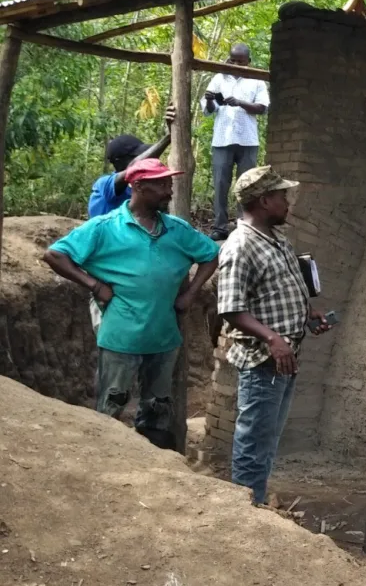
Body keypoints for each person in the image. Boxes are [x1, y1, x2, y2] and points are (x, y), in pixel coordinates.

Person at [43, 159, 219, 450]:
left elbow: (210, 254)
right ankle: (106, 461)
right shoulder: (105, 227)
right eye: (161, 184)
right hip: (120, 337)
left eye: (169, 183)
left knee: (158, 407)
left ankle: (153, 465)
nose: (169, 191)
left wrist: (190, 295)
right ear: (138, 186)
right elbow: (54, 255)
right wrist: (95, 285)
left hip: (164, 337)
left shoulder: (177, 229)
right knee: (112, 405)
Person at [217, 166, 334, 506]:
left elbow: (275, 292)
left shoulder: (276, 240)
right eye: (282, 196)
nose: (287, 202)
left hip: (283, 357)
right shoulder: (240, 247)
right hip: (262, 361)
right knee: (254, 441)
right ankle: (245, 512)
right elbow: (230, 309)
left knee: (267, 440)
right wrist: (272, 338)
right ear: (265, 200)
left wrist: (306, 314)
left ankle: (255, 503)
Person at [201, 43, 269, 241]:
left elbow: (263, 108)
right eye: (233, 60)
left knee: (247, 184)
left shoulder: (257, 80)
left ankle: (244, 225)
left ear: (249, 61)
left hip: (247, 140)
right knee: (221, 183)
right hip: (222, 139)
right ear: (229, 59)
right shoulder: (219, 78)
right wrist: (211, 100)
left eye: (241, 61)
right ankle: (220, 226)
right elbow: (208, 110)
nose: (236, 64)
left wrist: (239, 102)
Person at [89, 105, 177, 218]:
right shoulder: (103, 184)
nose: (145, 162)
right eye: (137, 156)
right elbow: (134, 168)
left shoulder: (142, 187)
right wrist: (168, 137)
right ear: (118, 162)